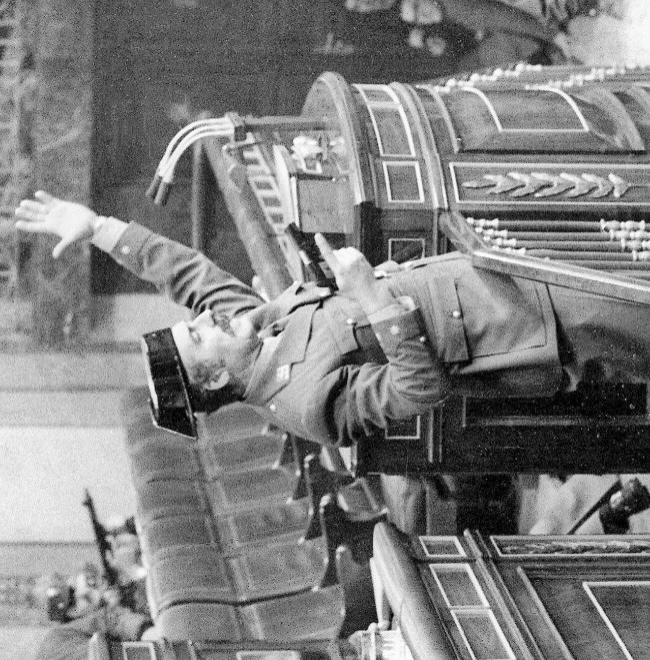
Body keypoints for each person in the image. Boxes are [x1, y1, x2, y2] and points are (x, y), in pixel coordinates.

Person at [14, 191, 650, 449]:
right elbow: (419, 390)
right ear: (213, 379)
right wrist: (372, 297)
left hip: (484, 269)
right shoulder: (304, 404)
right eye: (200, 335)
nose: (208, 318)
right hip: (529, 329)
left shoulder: (252, 328)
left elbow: (185, 273)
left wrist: (98, 228)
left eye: (199, 321)